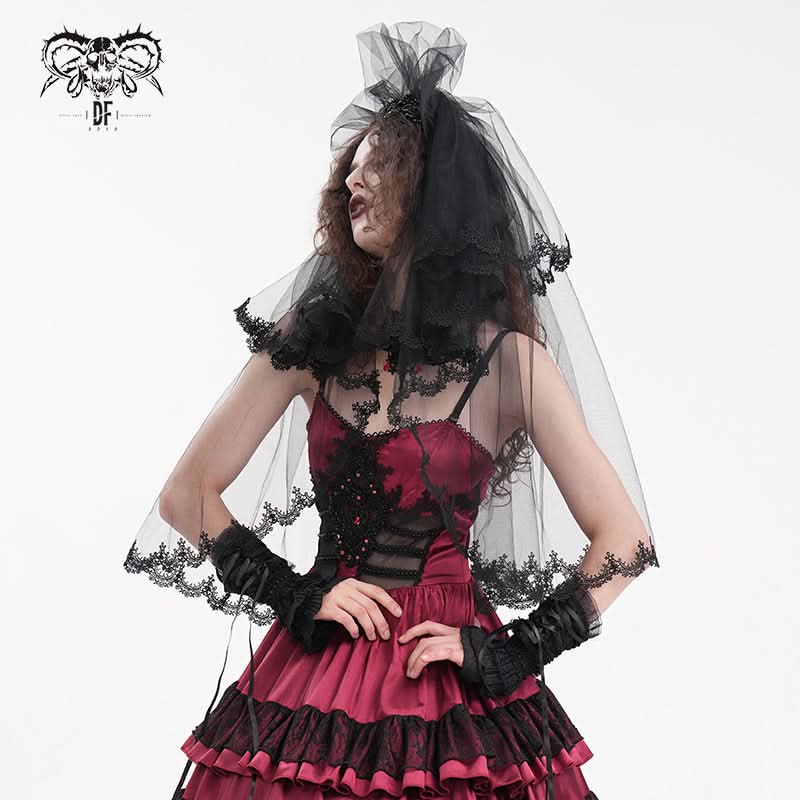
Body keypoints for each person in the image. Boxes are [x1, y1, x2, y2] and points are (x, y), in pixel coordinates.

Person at [124, 21, 659, 800]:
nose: (353, 181)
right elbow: (185, 495)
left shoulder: (509, 362)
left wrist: (515, 650)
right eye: (351, 166)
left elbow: (626, 540)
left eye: (378, 164)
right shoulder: (312, 342)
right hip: (316, 665)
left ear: (433, 190)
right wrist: (296, 595)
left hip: (449, 681)